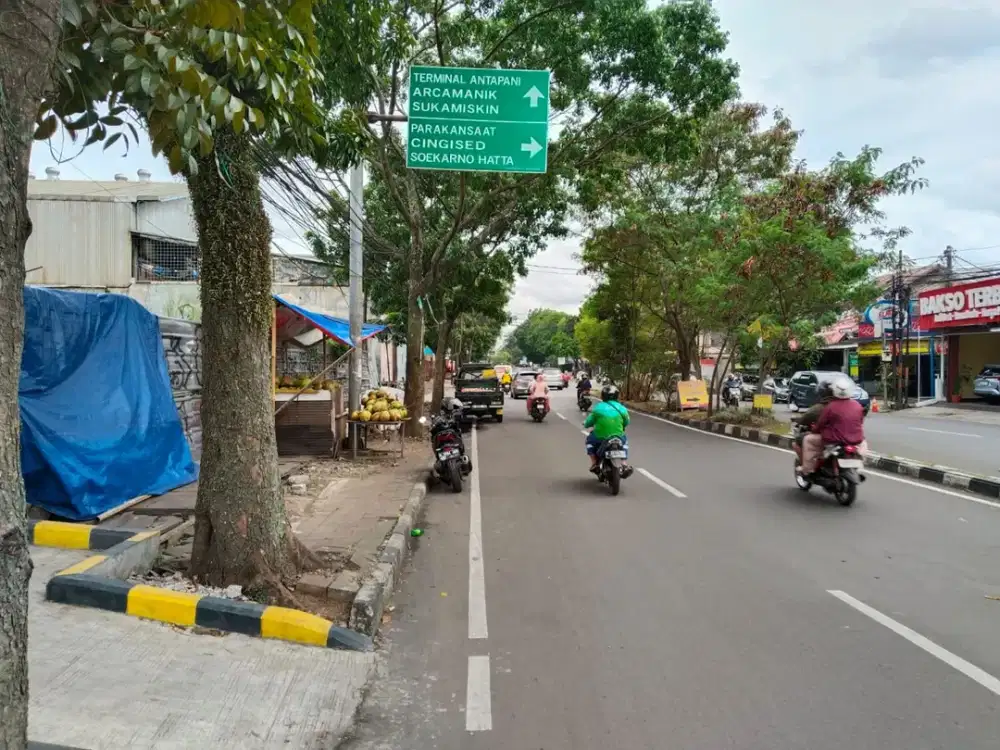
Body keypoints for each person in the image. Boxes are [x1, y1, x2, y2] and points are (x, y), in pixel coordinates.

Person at [800, 375, 865, 476]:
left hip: (834, 440)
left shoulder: (830, 407)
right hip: (855, 440)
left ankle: (807, 469)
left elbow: (820, 424)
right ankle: (860, 465)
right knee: (863, 445)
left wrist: (814, 431)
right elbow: (860, 422)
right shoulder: (857, 405)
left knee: (807, 440)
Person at [583, 384, 632, 475]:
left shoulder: (598, 408)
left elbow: (588, 423)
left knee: (589, 442)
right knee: (624, 443)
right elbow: (627, 422)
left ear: (603, 396)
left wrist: (585, 423)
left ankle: (594, 463)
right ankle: (624, 464)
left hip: (600, 437)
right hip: (618, 436)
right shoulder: (622, 408)